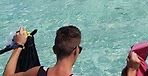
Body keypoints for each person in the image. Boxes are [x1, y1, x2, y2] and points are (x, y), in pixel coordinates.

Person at [3, 26, 140, 76]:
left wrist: (19, 46)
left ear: (54, 50)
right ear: (76, 51)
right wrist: (132, 69)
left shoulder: (37, 72)